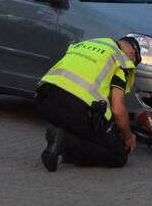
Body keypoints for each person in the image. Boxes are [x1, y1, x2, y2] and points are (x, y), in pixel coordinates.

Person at [36, 37, 141, 172]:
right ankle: (66, 142)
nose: (131, 63)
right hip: (76, 109)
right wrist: (128, 136)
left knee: (78, 122)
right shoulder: (120, 60)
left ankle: (62, 138)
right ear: (133, 52)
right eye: (134, 62)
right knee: (118, 156)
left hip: (45, 99)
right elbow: (117, 110)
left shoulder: (85, 44)